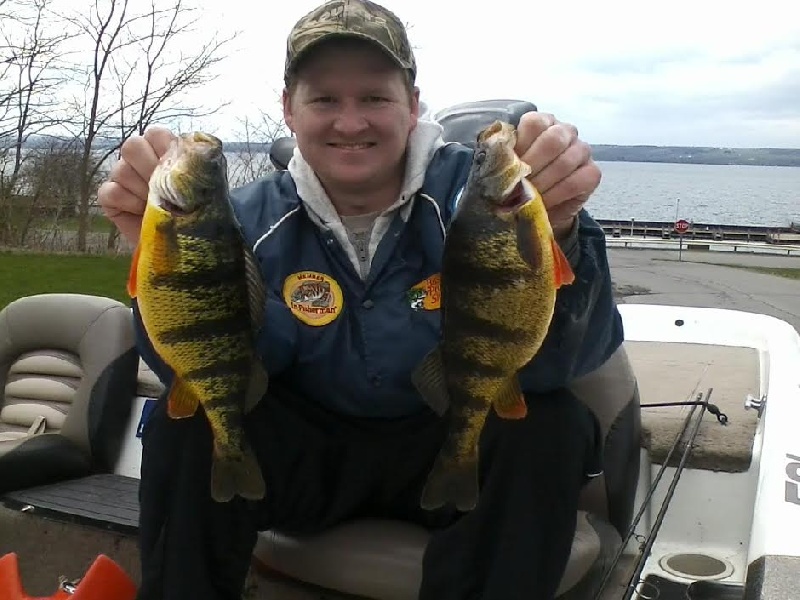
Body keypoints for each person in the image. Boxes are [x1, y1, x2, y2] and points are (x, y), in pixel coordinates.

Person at [98, 0, 624, 598]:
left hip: (452, 442)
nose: (351, 123)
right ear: (289, 111)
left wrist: (559, 236)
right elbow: (210, 367)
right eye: (324, 99)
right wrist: (160, 256)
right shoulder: (238, 219)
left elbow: (562, 360)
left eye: (374, 97)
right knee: (187, 425)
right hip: (307, 461)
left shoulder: (489, 196)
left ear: (413, 105)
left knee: (548, 427)